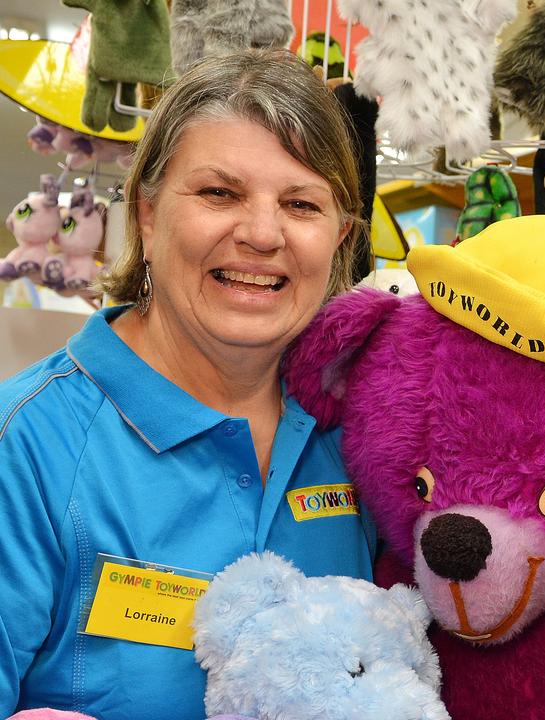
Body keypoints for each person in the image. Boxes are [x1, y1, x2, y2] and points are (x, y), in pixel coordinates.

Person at [0, 50, 375, 719]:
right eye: (218, 193)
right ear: (146, 215)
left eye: (300, 203)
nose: (262, 234)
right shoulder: (28, 447)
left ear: (340, 237)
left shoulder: (365, 438)